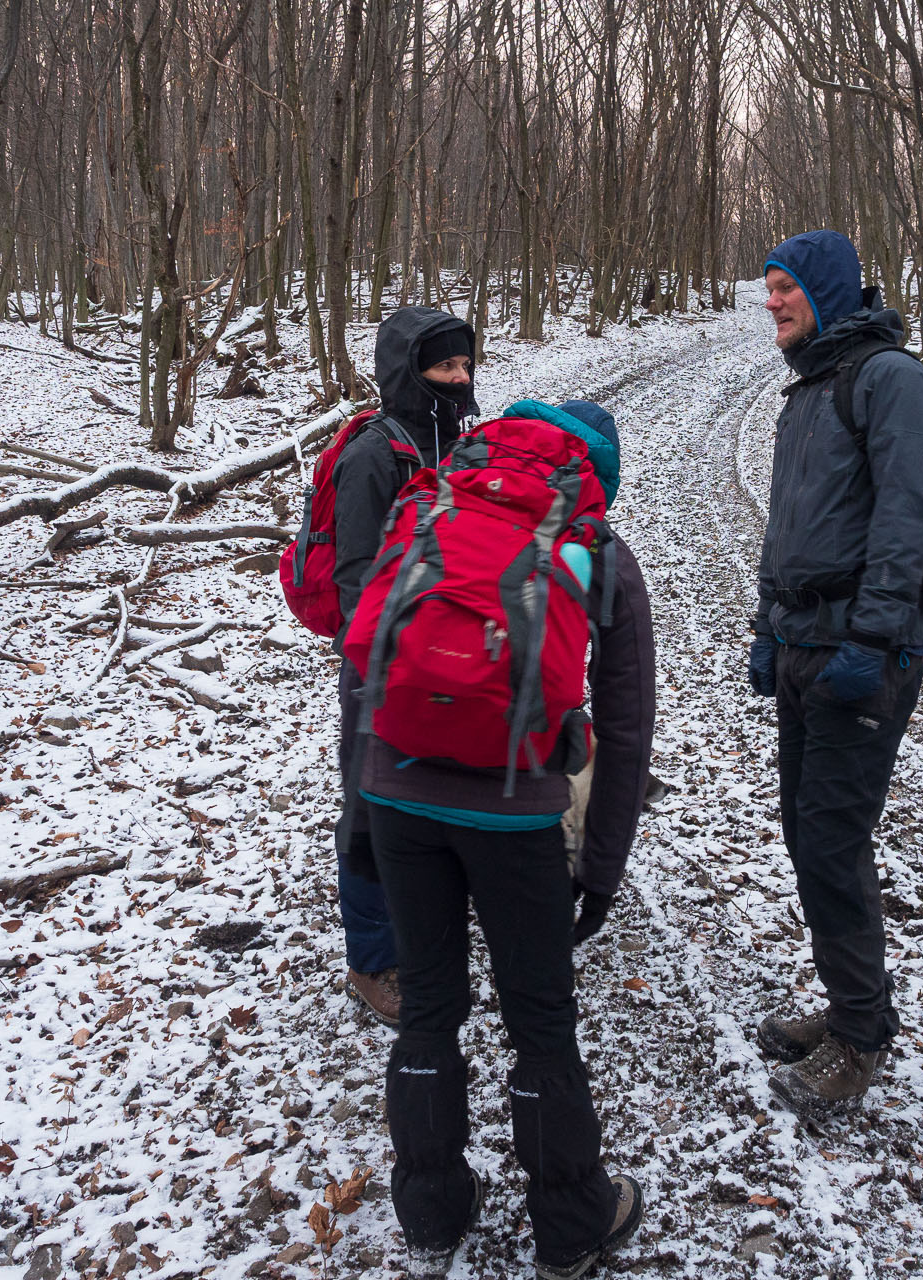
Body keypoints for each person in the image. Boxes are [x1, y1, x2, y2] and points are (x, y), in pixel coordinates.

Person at [353, 398, 652, 1279]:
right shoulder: (596, 547)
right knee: (541, 1022)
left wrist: (366, 814)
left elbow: (364, 656)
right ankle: (571, 1225)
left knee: (431, 1011)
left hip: (400, 794)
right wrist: (601, 868)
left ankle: (432, 1215)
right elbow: (626, 731)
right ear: (591, 474)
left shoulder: (432, 502)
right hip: (517, 812)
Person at [747, 230, 923, 1118]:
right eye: (769, 289)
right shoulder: (809, 391)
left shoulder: (888, 381)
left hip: (858, 653)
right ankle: (846, 1004)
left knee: (832, 841)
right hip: (803, 644)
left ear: (826, 291)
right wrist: (767, 628)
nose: (772, 302)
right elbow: (788, 526)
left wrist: (872, 644)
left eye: (786, 287)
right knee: (807, 836)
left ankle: (861, 1036)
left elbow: (908, 520)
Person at [328, 306, 479, 1027]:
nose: (460, 378)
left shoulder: (457, 442)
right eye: (444, 366)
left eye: (464, 364)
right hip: (380, 664)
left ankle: (425, 930)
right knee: (369, 808)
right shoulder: (373, 454)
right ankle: (373, 959)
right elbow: (356, 574)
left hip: (445, 661)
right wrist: (392, 657)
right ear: (407, 371)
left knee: (430, 802)